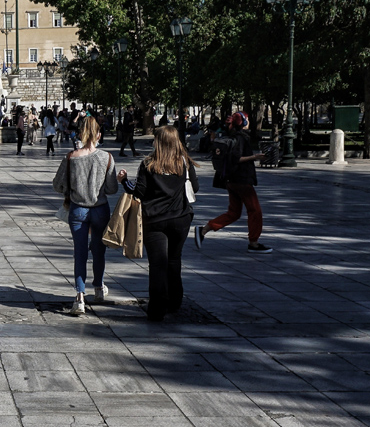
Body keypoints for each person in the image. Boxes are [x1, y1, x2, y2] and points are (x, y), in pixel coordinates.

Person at [117, 125, 199, 321]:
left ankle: (157, 308)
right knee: (174, 259)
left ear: (159, 142)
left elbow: (138, 192)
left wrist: (124, 180)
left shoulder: (149, 164)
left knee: (157, 264)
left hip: (154, 220)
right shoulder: (184, 162)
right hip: (180, 218)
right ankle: (175, 300)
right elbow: (195, 187)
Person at [53, 117, 118, 316]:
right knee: (99, 250)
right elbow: (112, 188)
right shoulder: (107, 158)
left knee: (79, 252)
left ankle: (80, 297)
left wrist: (73, 187)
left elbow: (58, 185)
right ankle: (98, 287)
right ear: (99, 135)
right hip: (100, 208)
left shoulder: (71, 158)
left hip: (78, 208)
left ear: (80, 134)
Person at [195, 112, 273, 253]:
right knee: (255, 211)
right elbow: (236, 159)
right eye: (247, 119)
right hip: (241, 180)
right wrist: (255, 157)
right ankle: (254, 243)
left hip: (231, 180)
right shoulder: (240, 138)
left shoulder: (233, 137)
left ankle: (204, 230)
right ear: (242, 122)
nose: (248, 121)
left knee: (234, 213)